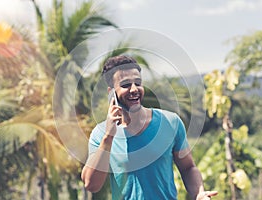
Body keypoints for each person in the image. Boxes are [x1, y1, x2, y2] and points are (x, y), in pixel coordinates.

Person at [81, 55, 217, 200]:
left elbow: (188, 167)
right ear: (111, 93)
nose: (134, 89)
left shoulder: (170, 122)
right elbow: (91, 185)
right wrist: (108, 137)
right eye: (126, 84)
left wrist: (199, 194)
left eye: (138, 83)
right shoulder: (100, 134)